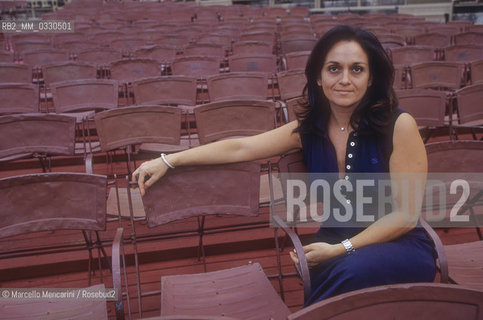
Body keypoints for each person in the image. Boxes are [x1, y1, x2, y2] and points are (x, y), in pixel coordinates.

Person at [132, 25, 436, 305]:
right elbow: (243, 147)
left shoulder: (399, 125)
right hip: (333, 240)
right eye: (334, 69)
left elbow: (406, 215)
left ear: (370, 79)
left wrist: (343, 249)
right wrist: (168, 160)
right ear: (318, 77)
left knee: (351, 272)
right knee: (337, 273)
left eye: (356, 69)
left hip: (398, 242)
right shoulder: (308, 131)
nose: (345, 79)